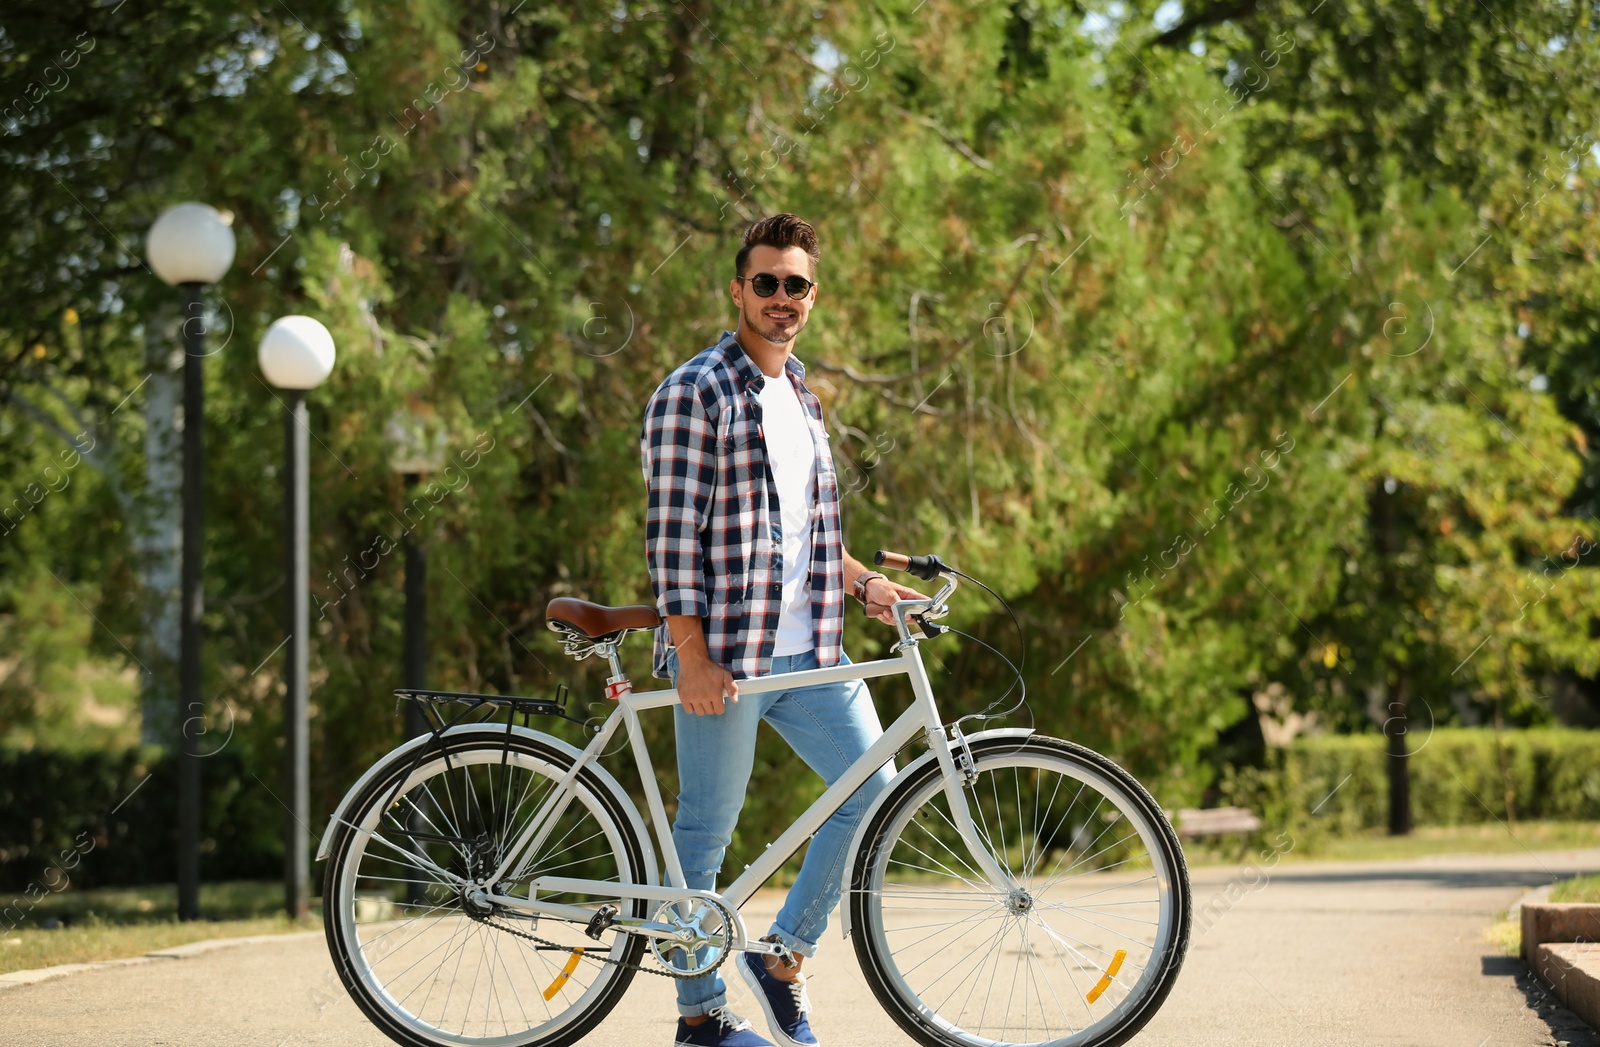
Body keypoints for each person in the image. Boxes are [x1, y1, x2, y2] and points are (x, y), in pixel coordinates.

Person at [639, 214, 927, 1047]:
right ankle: (700, 1017)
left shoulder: (801, 393)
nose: (780, 298)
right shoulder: (695, 390)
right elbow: (670, 536)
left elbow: (807, 532)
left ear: (812, 294)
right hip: (727, 658)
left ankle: (782, 956)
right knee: (704, 834)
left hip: (813, 654)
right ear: (738, 291)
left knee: (873, 791)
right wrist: (690, 654)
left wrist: (867, 583)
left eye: (794, 284)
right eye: (764, 283)